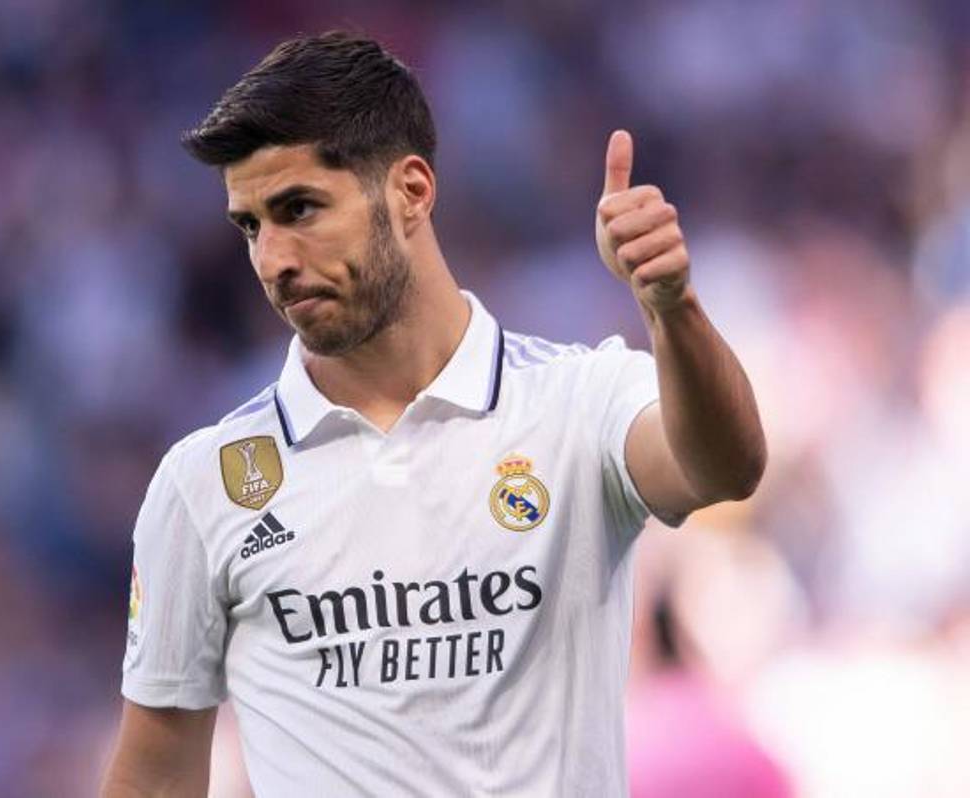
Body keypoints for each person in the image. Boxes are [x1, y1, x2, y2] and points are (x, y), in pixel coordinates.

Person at [101, 31, 765, 798]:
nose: (273, 260)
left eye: (299, 209)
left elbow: (725, 468)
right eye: (251, 225)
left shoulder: (578, 402)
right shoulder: (205, 484)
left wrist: (671, 307)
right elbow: (154, 780)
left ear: (411, 191)